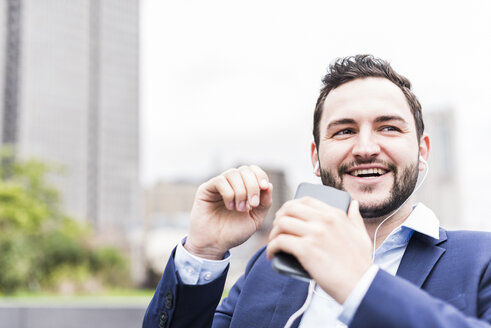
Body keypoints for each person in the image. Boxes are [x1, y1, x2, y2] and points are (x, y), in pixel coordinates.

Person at [143, 55, 491, 328]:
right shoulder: (267, 268)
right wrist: (204, 250)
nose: (366, 147)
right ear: (316, 156)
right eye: (343, 131)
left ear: (422, 151)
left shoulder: (481, 260)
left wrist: (360, 284)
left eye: (388, 127)